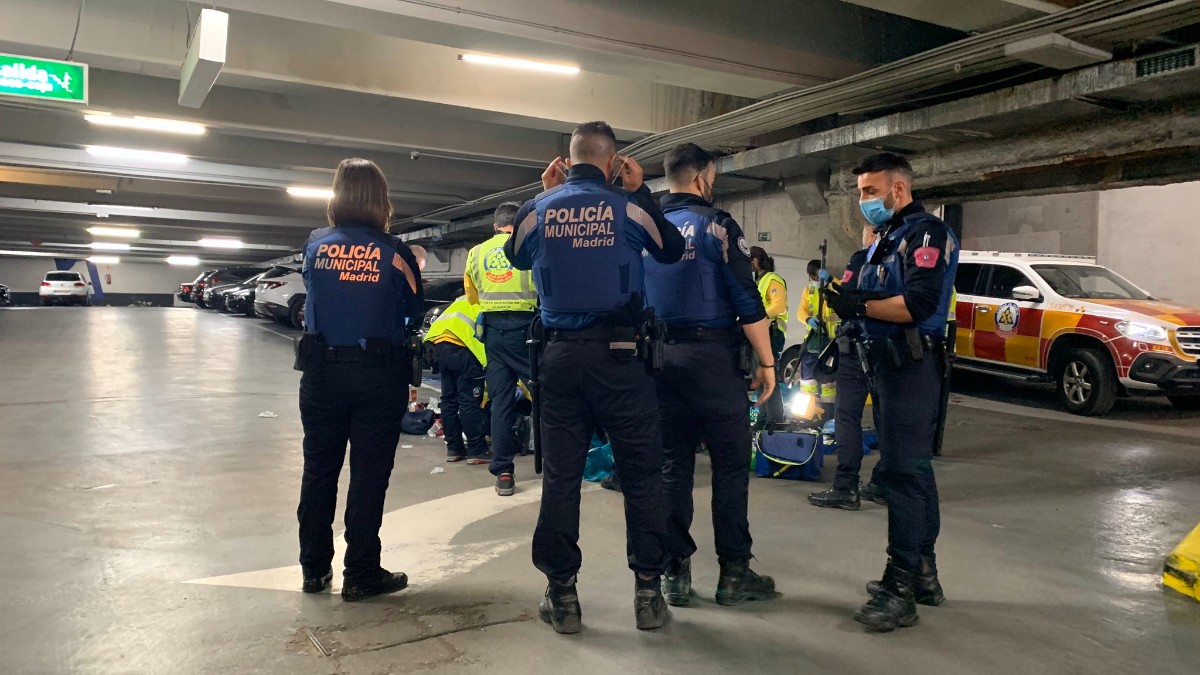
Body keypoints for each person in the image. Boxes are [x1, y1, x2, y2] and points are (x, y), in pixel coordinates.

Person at [505, 121, 685, 633]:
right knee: (643, 475)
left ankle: (562, 597)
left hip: (559, 361)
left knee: (562, 479)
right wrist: (641, 191)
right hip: (622, 359)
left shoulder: (538, 210)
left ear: (566, 160)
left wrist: (545, 195)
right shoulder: (628, 208)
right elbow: (669, 249)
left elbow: (514, 255)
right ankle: (648, 593)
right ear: (613, 161)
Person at [824, 152, 959, 632]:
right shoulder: (888, 239)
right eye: (861, 191)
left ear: (898, 189)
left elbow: (919, 302)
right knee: (913, 470)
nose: (863, 200)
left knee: (901, 474)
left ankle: (899, 584)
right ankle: (923, 571)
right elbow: (858, 288)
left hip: (913, 363)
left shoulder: (926, 233)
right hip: (886, 364)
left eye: (869, 190)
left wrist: (858, 304)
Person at [643, 143, 778, 608]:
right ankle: (734, 574)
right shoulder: (717, 226)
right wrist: (767, 364)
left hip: (659, 362)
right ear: (702, 177)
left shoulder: (647, 230)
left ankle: (674, 575)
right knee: (730, 466)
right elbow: (746, 300)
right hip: (713, 362)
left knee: (672, 467)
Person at [295, 158, 424, 601]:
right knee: (369, 477)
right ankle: (361, 573)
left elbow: (314, 287)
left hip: (321, 374)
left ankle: (314, 570)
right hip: (377, 374)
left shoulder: (315, 245)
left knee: (319, 471)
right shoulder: (395, 252)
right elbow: (413, 307)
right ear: (381, 200)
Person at [808, 224, 886, 511]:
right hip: (892, 347)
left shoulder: (861, 259)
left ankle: (846, 486)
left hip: (858, 344)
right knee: (886, 416)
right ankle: (884, 483)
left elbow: (848, 297)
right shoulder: (902, 260)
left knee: (847, 416)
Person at [465, 202, 538, 496]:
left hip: (493, 335)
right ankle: (556, 461)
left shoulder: (476, 253)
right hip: (526, 332)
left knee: (500, 404)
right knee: (545, 395)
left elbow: (471, 297)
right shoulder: (528, 247)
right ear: (518, 224)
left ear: (494, 226)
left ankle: (504, 473)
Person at [423, 295, 490, 463]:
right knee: (469, 401)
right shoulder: (486, 302)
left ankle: (454, 449)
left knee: (449, 401)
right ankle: (476, 450)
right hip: (463, 350)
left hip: (439, 347)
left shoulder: (461, 300)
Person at [750, 246, 787, 422]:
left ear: (756, 261)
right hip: (762, 333)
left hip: (772, 333)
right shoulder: (759, 281)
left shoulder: (772, 279)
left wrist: (759, 318)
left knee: (768, 375)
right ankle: (765, 418)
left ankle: (775, 419)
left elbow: (778, 305)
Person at [796, 259, 838, 407]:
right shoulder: (808, 290)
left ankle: (828, 411)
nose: (814, 279)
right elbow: (801, 311)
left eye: (816, 275)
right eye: (812, 276)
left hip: (831, 341)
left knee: (828, 380)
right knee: (807, 378)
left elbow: (844, 292)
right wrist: (808, 319)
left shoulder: (834, 286)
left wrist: (831, 280)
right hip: (813, 340)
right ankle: (807, 411)